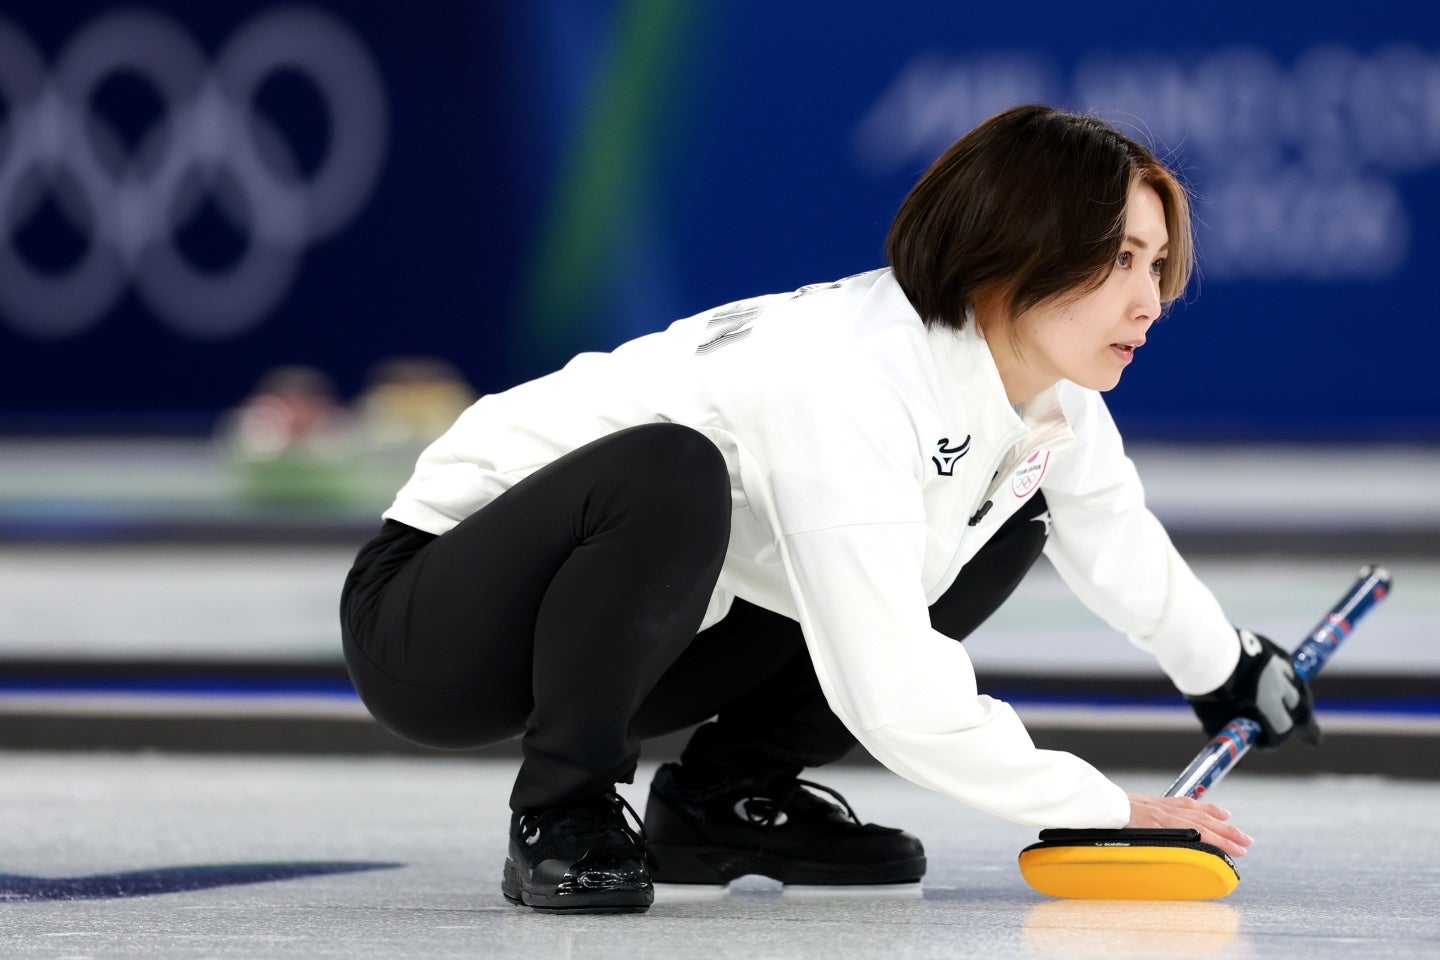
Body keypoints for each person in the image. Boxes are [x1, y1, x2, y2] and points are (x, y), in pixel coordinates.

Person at [339, 104, 1318, 914]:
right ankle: (564, 807)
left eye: (1156, 263)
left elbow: (1111, 533)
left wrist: (1224, 669)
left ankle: (729, 799)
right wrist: (1096, 805)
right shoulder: (851, 377)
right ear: (1012, 248)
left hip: (644, 637)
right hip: (436, 625)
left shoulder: (1046, 398)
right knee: (672, 473)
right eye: (1118, 260)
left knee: (1005, 516)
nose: (1150, 299)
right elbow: (886, 680)